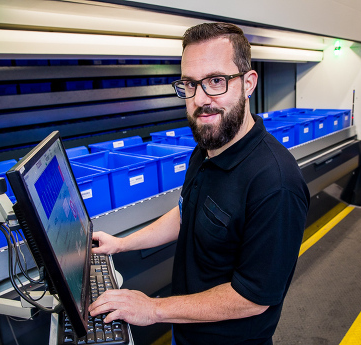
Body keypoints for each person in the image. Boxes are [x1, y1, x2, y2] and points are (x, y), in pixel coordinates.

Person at [88, 22, 310, 345]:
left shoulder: (276, 182)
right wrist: (122, 243)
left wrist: (153, 309)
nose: (200, 99)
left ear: (249, 83)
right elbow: (185, 214)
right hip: (186, 330)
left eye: (216, 81)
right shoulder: (205, 149)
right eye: (189, 84)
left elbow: (252, 297)